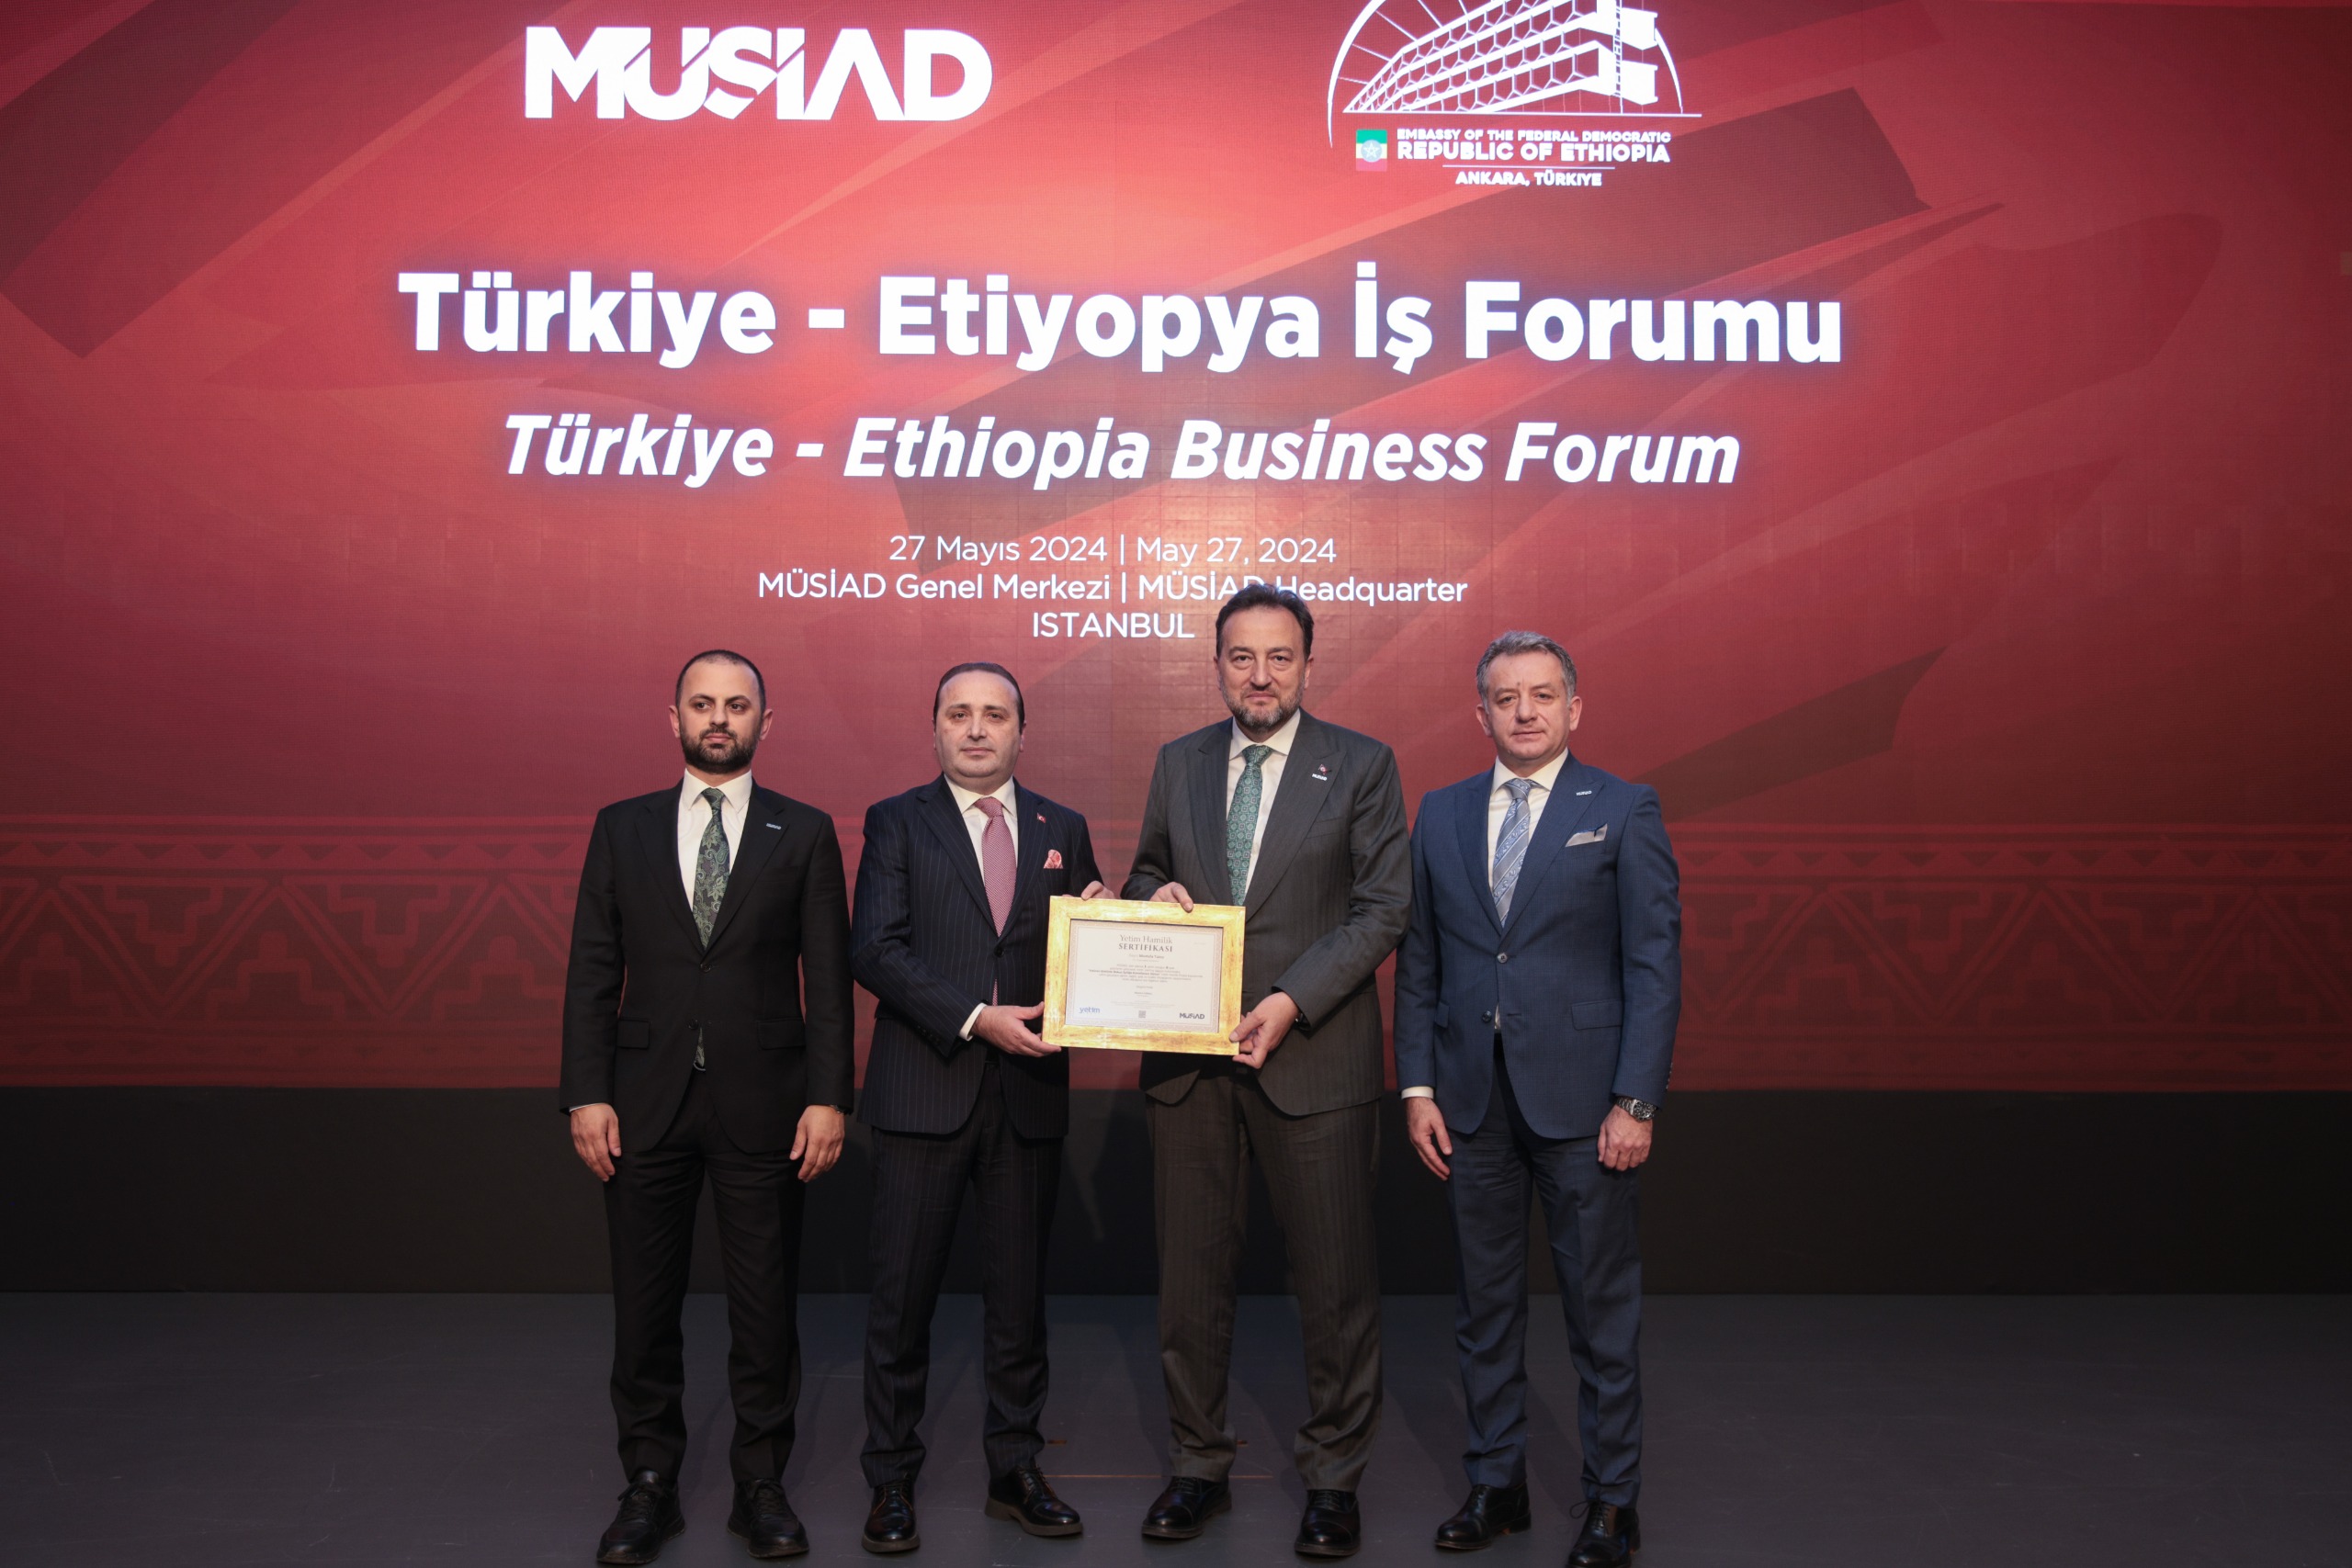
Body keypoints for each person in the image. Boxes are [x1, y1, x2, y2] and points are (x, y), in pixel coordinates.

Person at [1123, 584, 1411, 1558]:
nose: (1260, 675)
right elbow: (1144, 870)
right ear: (1216, 664)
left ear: (1307, 665)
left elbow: (1383, 907)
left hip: (1315, 1059)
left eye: (1279, 657)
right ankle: (1197, 1464)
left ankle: (1333, 1478)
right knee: (1190, 1281)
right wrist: (1149, 897)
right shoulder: (1179, 761)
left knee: (1335, 1282)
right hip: (1189, 1065)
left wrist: (1290, 1000)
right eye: (1241, 656)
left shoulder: (1362, 764)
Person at [1392, 632, 1680, 1567]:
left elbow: (1653, 965)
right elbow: (1421, 962)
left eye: (1543, 695)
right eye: (1506, 696)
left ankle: (1612, 1502)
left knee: (1600, 1315)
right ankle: (1497, 1486)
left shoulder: (1624, 807)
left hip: (1586, 1108)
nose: (1524, 711)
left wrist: (1636, 1101)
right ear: (1480, 711)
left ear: (1573, 708)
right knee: (1485, 1311)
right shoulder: (1440, 812)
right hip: (1469, 1105)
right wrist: (1417, 1084)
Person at [560, 650, 854, 1564]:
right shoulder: (622, 827)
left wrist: (829, 1098)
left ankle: (759, 1485)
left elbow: (829, 983)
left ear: (767, 721)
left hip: (766, 1105)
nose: (718, 718)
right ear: (675, 718)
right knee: (643, 1307)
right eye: (702, 704)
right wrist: (585, 1091)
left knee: (765, 1310)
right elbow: (592, 968)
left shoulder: (804, 831)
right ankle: (649, 1481)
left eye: (736, 704)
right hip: (640, 1103)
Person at [848, 661, 1107, 1553]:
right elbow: (874, 949)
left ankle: (1014, 1470)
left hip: (1027, 1100)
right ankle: (890, 1479)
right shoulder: (896, 821)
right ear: (934, 728)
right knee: (901, 1303)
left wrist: (1120, 918)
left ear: (1021, 732)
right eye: (958, 713)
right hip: (923, 1090)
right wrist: (972, 1017)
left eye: (994, 714)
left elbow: (1087, 939)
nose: (975, 728)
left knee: (1019, 1304)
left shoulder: (1061, 827)